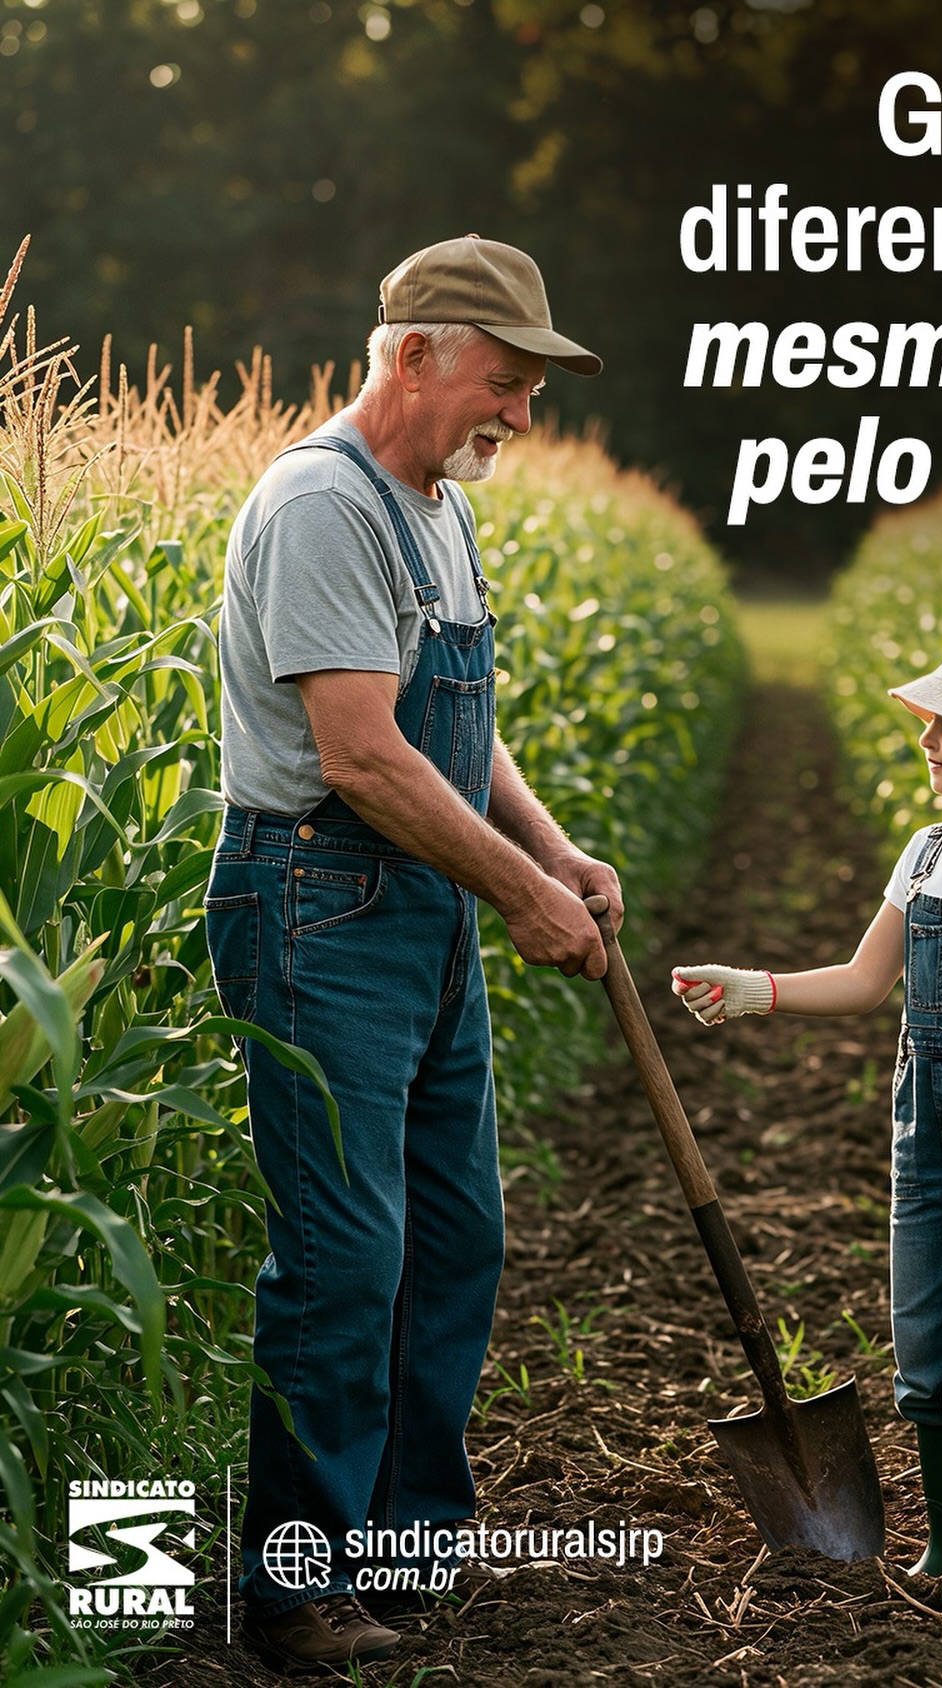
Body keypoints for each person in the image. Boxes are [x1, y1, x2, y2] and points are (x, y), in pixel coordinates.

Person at [205, 235, 623, 1671]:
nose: (520, 414)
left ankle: (401, 1546)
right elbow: (364, 756)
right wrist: (522, 899)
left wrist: (548, 850)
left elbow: (458, 724)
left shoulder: (432, 504)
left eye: (528, 391)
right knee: (345, 1256)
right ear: (413, 355)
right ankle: (293, 1596)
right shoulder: (326, 503)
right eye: (502, 383)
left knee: (454, 1240)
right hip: (319, 905)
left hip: (419, 914)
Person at [671, 629, 942, 1602]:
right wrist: (758, 988)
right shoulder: (923, 854)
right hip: (925, 1129)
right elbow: (871, 979)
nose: (927, 737)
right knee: (922, 1356)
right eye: (928, 721)